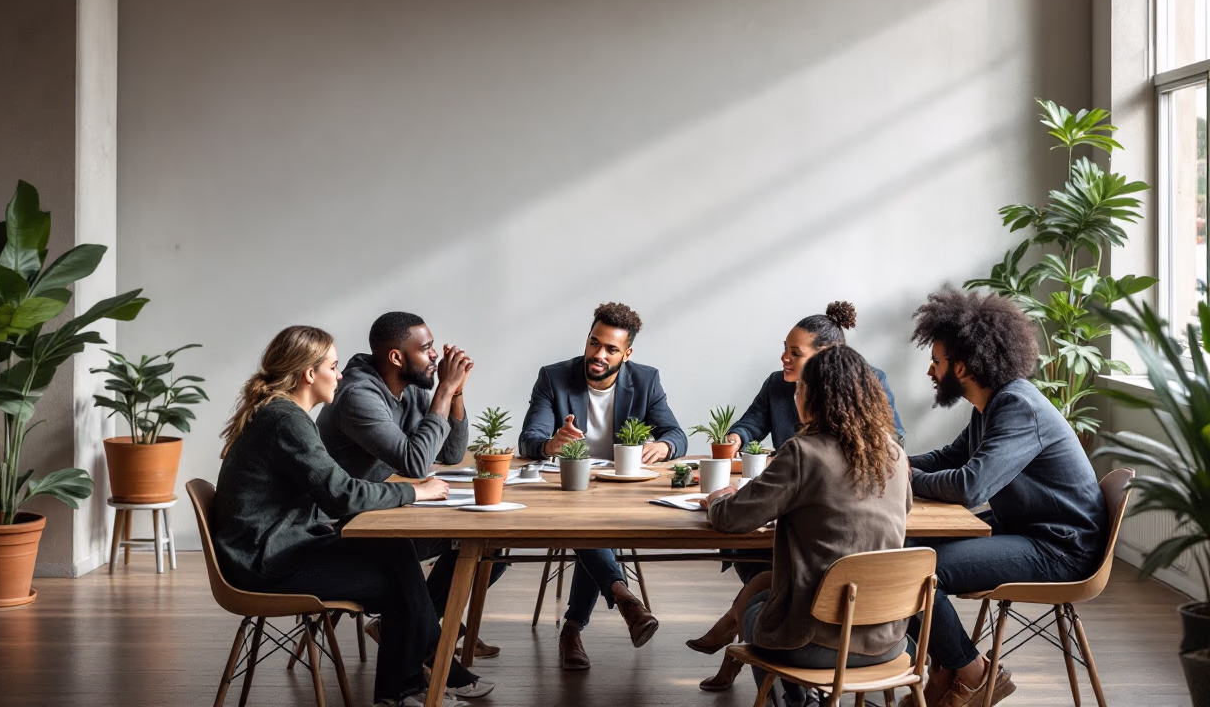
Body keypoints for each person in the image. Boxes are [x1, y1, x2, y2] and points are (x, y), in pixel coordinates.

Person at [212, 325, 493, 707]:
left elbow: (337, 491)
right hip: (267, 563)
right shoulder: (285, 420)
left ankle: (410, 683)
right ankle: (413, 682)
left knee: (397, 554)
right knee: (400, 578)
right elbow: (342, 495)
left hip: (278, 548)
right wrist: (415, 490)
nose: (340, 374)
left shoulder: (280, 415)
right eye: (334, 365)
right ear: (310, 374)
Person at [902, 289, 1108, 707]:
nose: (930, 370)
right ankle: (946, 671)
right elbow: (950, 457)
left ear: (961, 367)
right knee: (898, 554)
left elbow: (969, 486)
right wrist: (891, 463)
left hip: (1060, 547)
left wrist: (906, 477)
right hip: (1028, 529)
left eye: (936, 361)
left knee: (912, 572)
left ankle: (974, 674)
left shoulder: (1017, 406)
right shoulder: (993, 405)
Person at [701, 345, 913, 706]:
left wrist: (716, 499)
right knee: (764, 587)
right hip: (888, 640)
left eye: (799, 387)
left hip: (818, 644)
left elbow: (733, 518)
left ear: (814, 396)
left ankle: (796, 702)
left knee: (756, 610)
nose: (794, 393)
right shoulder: (893, 453)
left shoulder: (803, 452)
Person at [318, 311, 504, 657]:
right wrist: (444, 389)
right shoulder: (359, 395)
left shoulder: (410, 386)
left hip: (387, 510)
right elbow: (417, 463)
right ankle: (422, 634)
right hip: (347, 526)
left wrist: (456, 393)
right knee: (474, 542)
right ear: (396, 357)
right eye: (427, 349)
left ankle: (409, 628)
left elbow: (450, 453)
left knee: (494, 544)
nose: (435, 356)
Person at [517, 302, 687, 671]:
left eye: (611, 349)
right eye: (594, 343)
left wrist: (663, 446)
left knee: (595, 528)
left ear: (627, 354)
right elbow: (529, 438)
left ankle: (574, 628)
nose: (598, 354)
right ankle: (619, 600)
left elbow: (677, 434)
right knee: (590, 526)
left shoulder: (645, 379)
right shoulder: (554, 377)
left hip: (619, 492)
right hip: (567, 491)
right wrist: (551, 443)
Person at [710, 300, 905, 586]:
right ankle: (742, 615)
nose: (784, 358)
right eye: (785, 348)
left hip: (840, 499)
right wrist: (737, 436)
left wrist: (717, 500)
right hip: (883, 623)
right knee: (759, 564)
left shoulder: (868, 385)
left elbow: (891, 435)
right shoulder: (778, 384)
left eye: (795, 353)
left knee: (771, 568)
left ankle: (761, 606)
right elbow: (753, 421)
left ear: (823, 356)